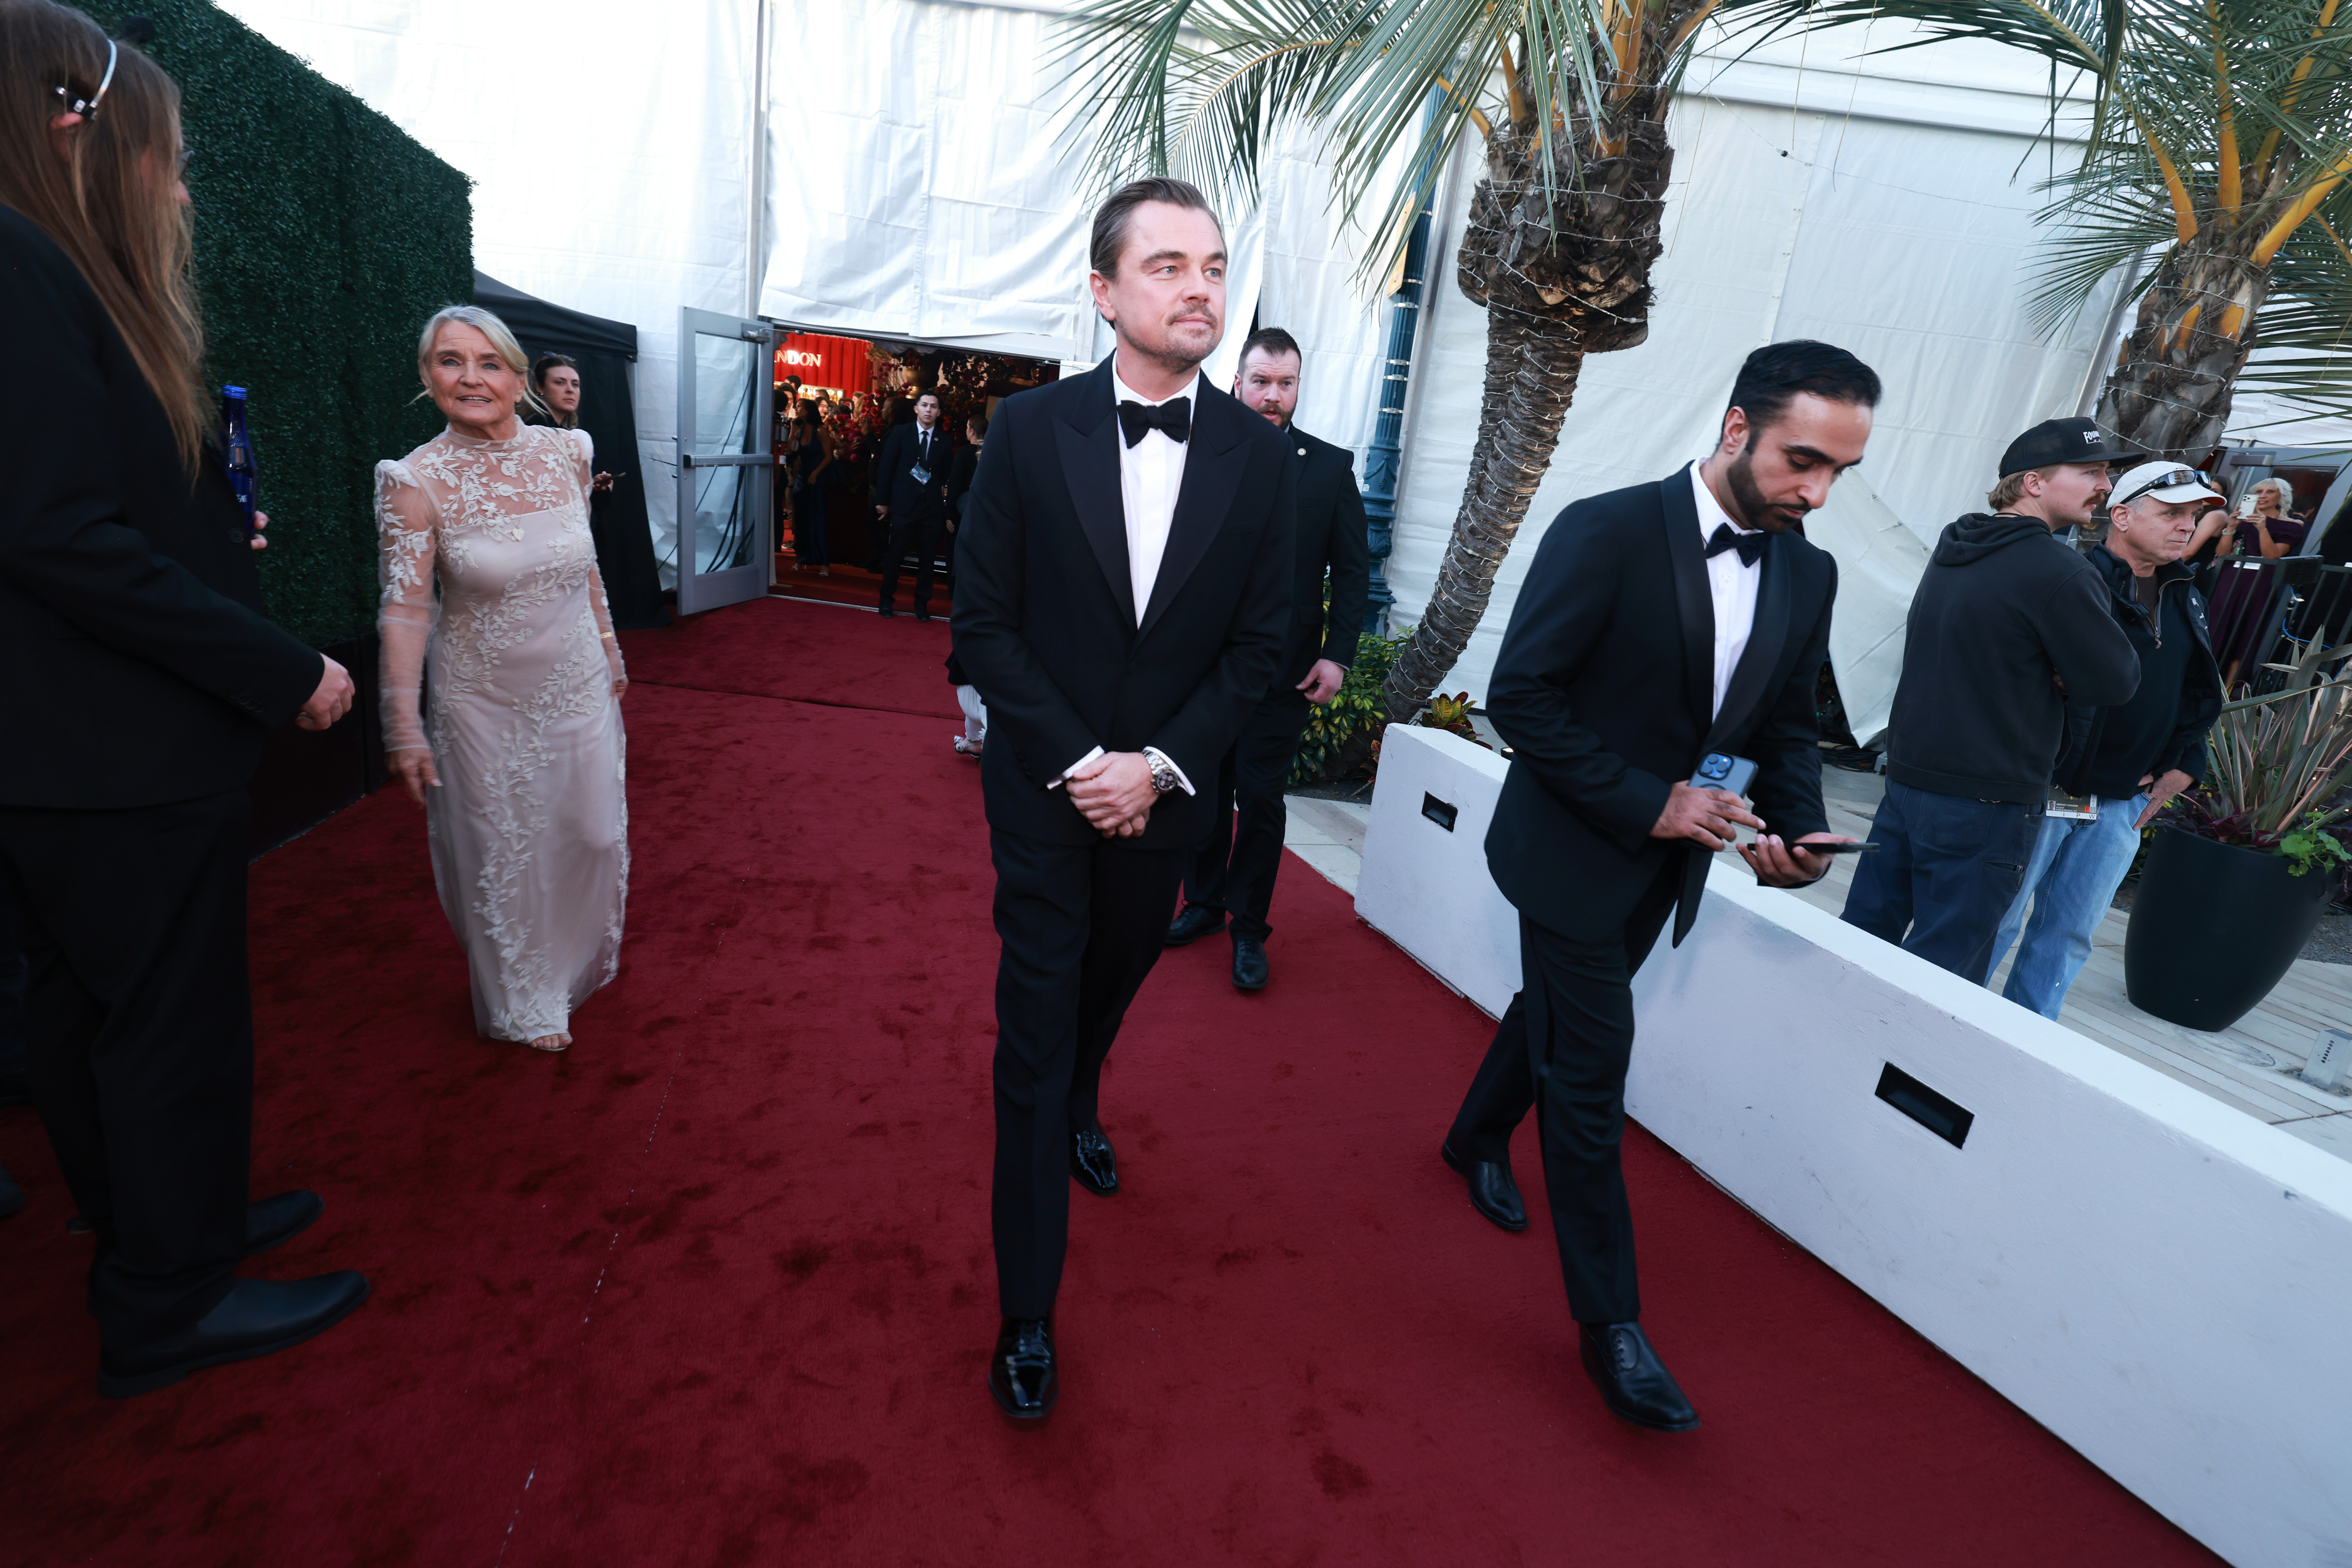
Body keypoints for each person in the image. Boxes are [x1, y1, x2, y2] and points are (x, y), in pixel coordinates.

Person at [0, 0, 369, 1397]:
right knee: (163, 1020)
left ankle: (168, 1224)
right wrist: (279, 666)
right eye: (167, 154)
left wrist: (209, 529)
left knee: (95, 1017)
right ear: (71, 128)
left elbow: (79, 509)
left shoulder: (43, 272)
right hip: (111, 752)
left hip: (81, 749)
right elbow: (52, 532)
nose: (179, 183)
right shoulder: (22, 262)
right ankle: (168, 1292)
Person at [1438, 340, 1870, 1434]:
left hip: (1665, 868)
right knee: (1591, 1068)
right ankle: (1609, 1327)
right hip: (1573, 845)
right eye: (1800, 462)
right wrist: (1650, 800)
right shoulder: (1606, 527)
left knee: (1554, 1012)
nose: (1815, 493)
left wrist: (1798, 830)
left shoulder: (1807, 569)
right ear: (1736, 429)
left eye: (1838, 474)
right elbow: (1519, 699)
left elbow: (1781, 723)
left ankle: (1474, 1136)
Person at [951, 176, 1295, 1422]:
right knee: (1034, 1041)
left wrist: (1158, 766)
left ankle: (1089, 1083)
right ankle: (1029, 1309)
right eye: (1167, 266)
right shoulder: (1029, 432)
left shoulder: (1269, 463)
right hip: (1047, 800)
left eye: (1212, 264)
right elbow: (983, 623)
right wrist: (1083, 759)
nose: (1199, 285)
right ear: (1105, 292)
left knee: (1117, 978)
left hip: (1174, 802)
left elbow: (1263, 649)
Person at [376, 306, 629, 1056]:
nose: (471, 378)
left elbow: (581, 561)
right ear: (429, 378)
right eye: (451, 361)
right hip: (480, 697)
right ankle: (527, 994)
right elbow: (404, 609)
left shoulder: (568, 452)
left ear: (520, 378)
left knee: (591, 830)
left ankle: (576, 957)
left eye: (490, 363)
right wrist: (401, 722)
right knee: (505, 848)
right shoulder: (413, 480)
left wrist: (611, 645)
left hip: (578, 675)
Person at [1841, 418, 2141, 982]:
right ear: (2032, 482)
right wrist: (2057, 669)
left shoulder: (1956, 546)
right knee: (1941, 975)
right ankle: (1899, 1073)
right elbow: (2115, 681)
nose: (2104, 486)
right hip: (1985, 801)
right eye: (2090, 472)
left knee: (1860, 941)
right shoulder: (2057, 570)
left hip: (1907, 784)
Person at [1165, 326, 1369, 990]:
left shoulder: (1331, 468)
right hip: (1201, 664)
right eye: (1262, 382)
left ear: (1298, 388)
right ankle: (1203, 902)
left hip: (1284, 671)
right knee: (1200, 789)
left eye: (1285, 384)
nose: (1273, 396)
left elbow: (1354, 572)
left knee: (1258, 796)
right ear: (1237, 383)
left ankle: (1249, 928)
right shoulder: (1198, 452)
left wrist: (1338, 656)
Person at [1987, 462, 2225, 1018]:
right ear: (2120, 515)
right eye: (2170, 513)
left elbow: (2195, 687)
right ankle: (1941, 1032)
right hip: (2044, 790)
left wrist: (2186, 763)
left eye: (2193, 516)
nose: (2186, 526)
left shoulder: (2185, 594)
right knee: (1994, 921)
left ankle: (2025, 1040)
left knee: (2069, 934)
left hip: (2123, 801)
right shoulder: (2070, 580)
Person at [874, 391, 950, 618]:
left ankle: (921, 605)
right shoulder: (901, 433)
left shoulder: (944, 440)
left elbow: (944, 475)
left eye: (933, 406)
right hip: (903, 505)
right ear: (916, 409)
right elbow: (886, 467)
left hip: (931, 509)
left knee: (927, 560)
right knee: (895, 555)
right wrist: (883, 502)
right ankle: (886, 601)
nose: (929, 410)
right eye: (924, 405)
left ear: (939, 412)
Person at [526, 352, 616, 494]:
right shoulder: (537, 428)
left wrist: (591, 485)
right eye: (560, 382)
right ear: (540, 388)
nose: (570, 390)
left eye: (575, 384)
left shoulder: (561, 429)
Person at [787, 401, 835, 575]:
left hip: (817, 476)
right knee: (801, 520)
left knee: (818, 519)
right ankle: (801, 559)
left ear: (808, 411)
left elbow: (829, 457)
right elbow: (789, 452)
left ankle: (824, 564)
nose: (797, 409)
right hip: (801, 477)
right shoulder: (799, 431)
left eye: (799, 406)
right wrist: (793, 430)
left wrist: (815, 473)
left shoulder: (822, 431)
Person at [944, 408, 986, 589]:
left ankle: (955, 589)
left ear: (971, 431)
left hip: (962, 513)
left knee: (955, 550)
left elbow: (954, 485)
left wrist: (948, 514)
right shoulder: (994, 452)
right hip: (984, 513)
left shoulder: (963, 453)